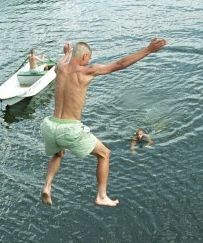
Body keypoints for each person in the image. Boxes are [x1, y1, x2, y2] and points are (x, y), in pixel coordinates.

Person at [40, 38, 167, 207]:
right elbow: (121, 64)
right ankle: (101, 196)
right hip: (70, 129)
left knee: (58, 153)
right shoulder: (87, 71)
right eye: (88, 59)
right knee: (104, 154)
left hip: (50, 125)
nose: (89, 62)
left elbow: (60, 62)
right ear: (85, 57)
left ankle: (47, 186)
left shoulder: (60, 68)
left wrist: (66, 54)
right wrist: (148, 50)